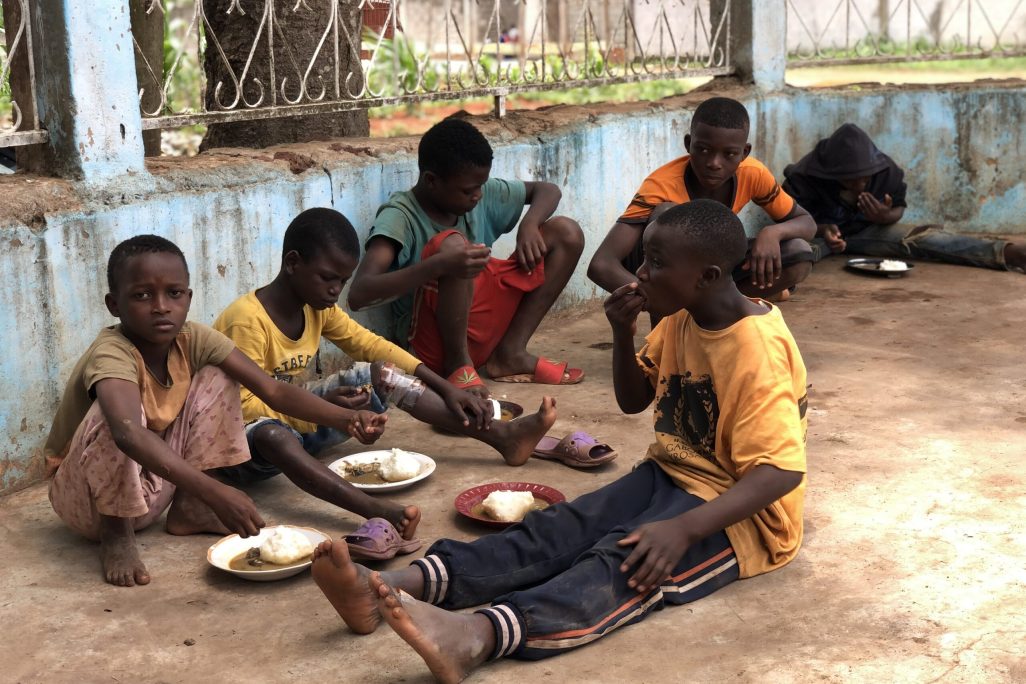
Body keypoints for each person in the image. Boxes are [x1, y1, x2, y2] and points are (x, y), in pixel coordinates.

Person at [310, 200, 808, 683]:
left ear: (708, 276)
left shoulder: (756, 349)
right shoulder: (680, 317)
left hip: (741, 517)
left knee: (620, 562)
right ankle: (397, 586)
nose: (641, 273)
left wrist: (683, 530)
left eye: (655, 264)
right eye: (644, 260)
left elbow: (781, 470)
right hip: (669, 473)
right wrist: (621, 331)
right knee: (562, 526)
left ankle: (480, 635)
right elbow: (635, 400)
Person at [44, 235, 387, 587]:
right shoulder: (112, 352)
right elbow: (127, 434)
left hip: (150, 485)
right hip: (86, 502)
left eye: (173, 293)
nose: (161, 306)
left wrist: (346, 418)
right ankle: (117, 534)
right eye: (142, 295)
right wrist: (215, 490)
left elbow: (272, 390)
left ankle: (190, 507)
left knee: (221, 372)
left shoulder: (194, 339)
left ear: (188, 298)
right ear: (114, 304)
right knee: (116, 416)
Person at [212, 208, 557, 535]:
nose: (335, 290)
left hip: (299, 422)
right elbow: (243, 411)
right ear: (292, 263)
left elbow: (372, 345)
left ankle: (501, 436)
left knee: (381, 373)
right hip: (240, 446)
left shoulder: (317, 307)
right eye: (327, 278)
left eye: (343, 281)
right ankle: (374, 510)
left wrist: (446, 385)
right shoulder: (248, 321)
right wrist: (329, 414)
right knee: (275, 435)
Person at [347, 117, 586, 396]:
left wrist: (529, 223)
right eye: (468, 190)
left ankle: (509, 354)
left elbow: (547, 190)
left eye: (481, 186)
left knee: (565, 233)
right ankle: (458, 365)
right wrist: (437, 265)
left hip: (483, 321)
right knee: (452, 246)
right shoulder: (400, 216)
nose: (478, 196)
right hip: (431, 346)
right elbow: (359, 294)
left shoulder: (474, 192)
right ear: (432, 181)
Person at [588, 96, 817, 304]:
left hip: (708, 270)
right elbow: (602, 264)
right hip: (659, 275)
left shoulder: (752, 173)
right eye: (704, 150)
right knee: (666, 215)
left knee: (799, 253)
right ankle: (673, 328)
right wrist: (651, 297)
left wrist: (772, 234)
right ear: (689, 144)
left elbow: (806, 223)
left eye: (729, 154)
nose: (714, 163)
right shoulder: (661, 185)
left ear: (744, 153)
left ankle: (719, 310)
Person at [782, 122, 1026, 272]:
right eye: (851, 179)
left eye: (865, 178)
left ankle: (1007, 252)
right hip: (819, 237)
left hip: (868, 231)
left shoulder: (884, 170)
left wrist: (885, 215)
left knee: (926, 240)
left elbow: (899, 208)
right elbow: (785, 221)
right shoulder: (805, 177)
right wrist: (823, 229)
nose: (859, 184)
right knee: (797, 253)